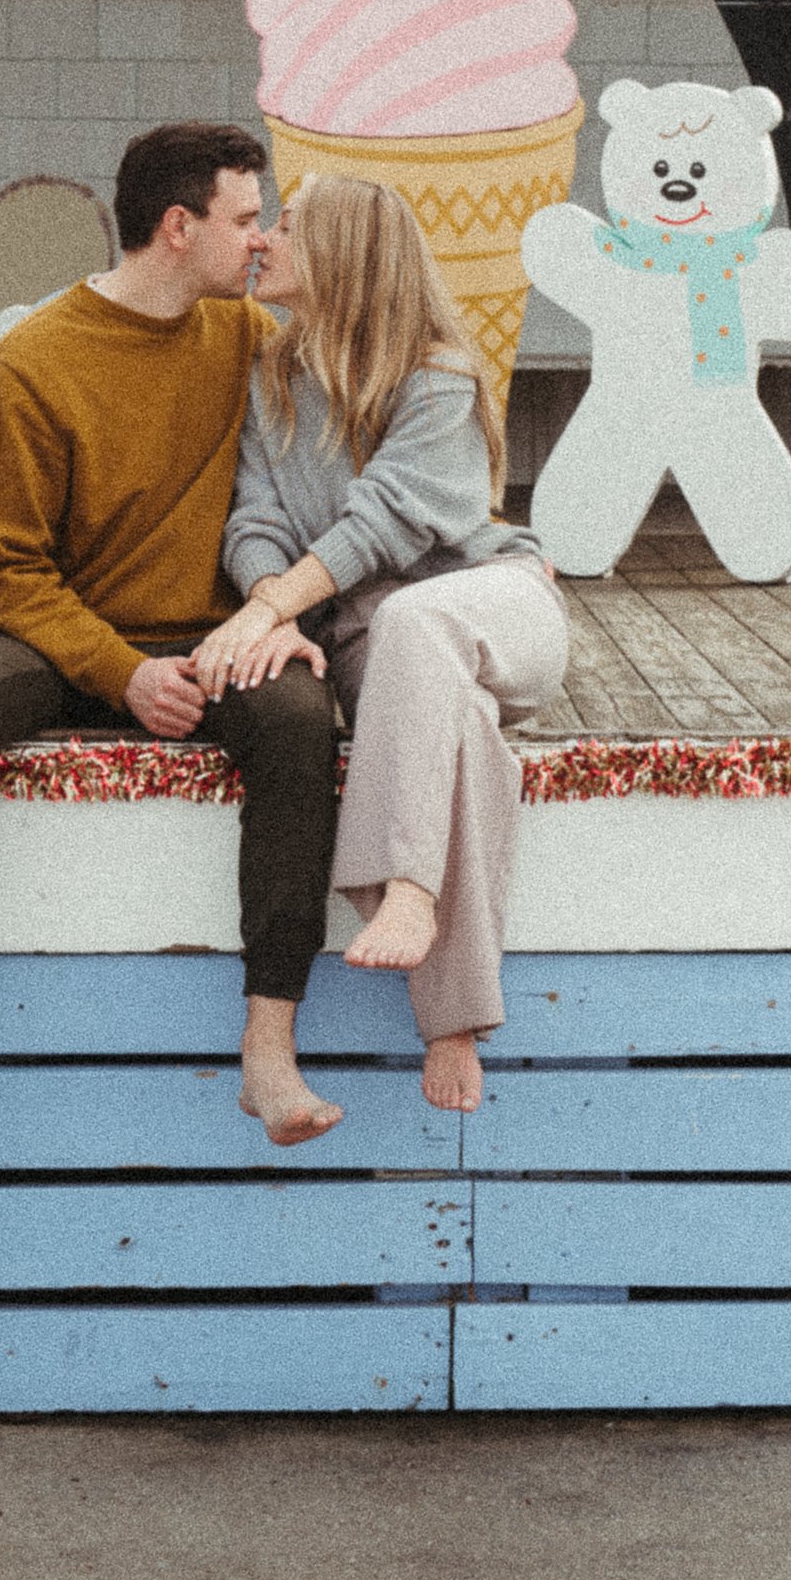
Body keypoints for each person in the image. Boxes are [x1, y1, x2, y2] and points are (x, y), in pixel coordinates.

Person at [0, 122, 347, 1153]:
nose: (260, 242)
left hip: (212, 639)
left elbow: (376, 433)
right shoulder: (34, 359)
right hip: (61, 635)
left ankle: (269, 1049)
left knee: (297, 721)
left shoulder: (247, 337)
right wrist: (121, 671)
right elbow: (3, 571)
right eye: (247, 220)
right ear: (176, 225)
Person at [192, 174, 568, 1114]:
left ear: (345, 253)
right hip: (375, 640)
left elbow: (386, 524)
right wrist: (266, 601)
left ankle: (406, 882)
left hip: (492, 604)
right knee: (464, 738)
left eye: (286, 227)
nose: (263, 242)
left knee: (415, 619)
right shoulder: (272, 377)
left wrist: (266, 611)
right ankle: (452, 1022)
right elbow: (256, 523)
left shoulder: (438, 372)